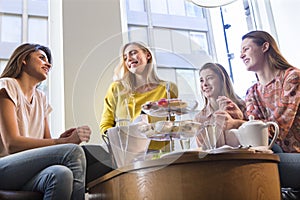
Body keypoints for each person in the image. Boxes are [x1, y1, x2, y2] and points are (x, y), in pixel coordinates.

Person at [0, 43, 91, 200]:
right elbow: (11, 144)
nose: (48, 64)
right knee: (73, 151)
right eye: (41, 58)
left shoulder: (41, 98)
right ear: (23, 60)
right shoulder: (7, 85)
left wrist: (62, 140)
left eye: (48, 61)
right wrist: (63, 143)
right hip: (5, 167)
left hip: (27, 170)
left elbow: (46, 142)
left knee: (61, 174)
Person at [235, 30, 300, 199]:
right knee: (253, 163)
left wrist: (235, 125)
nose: (241, 56)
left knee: (254, 167)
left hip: (295, 156)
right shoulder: (252, 92)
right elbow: (253, 140)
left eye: (246, 49)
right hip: (276, 155)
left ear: (265, 47)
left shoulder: (292, 77)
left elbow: (279, 127)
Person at [100, 41, 178, 152]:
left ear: (148, 55)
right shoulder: (117, 88)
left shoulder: (168, 89)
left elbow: (172, 127)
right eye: (125, 58)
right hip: (127, 154)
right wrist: (118, 143)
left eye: (133, 53)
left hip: (159, 156)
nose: (129, 59)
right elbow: (106, 125)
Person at [194, 62, 246, 149]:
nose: (205, 84)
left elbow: (258, 132)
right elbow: (203, 152)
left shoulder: (242, 106)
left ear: (222, 81)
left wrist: (236, 122)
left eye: (209, 78)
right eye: (201, 80)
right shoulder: (199, 119)